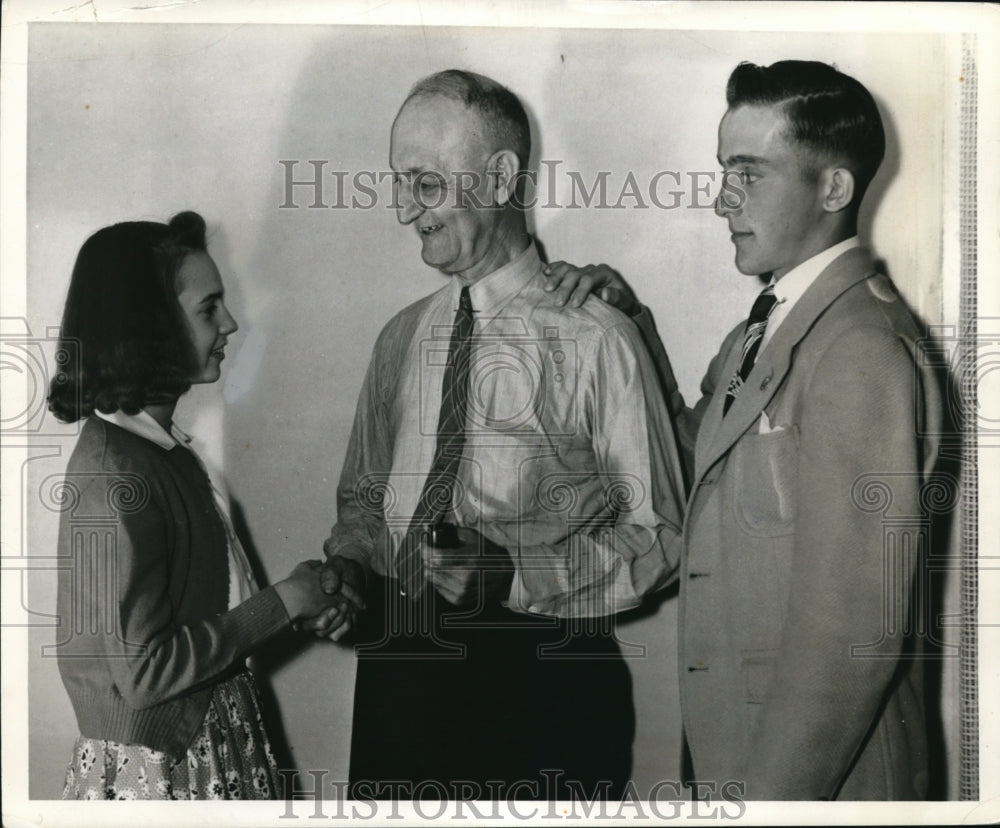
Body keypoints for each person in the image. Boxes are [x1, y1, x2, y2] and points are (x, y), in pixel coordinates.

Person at [543, 60, 943, 800]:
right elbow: (688, 464)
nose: (722, 198)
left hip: (814, 785)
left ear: (833, 189)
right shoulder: (762, 329)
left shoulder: (858, 348)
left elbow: (850, 643)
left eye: (750, 174)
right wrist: (629, 328)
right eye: (724, 170)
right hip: (744, 763)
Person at [308, 70, 686, 800]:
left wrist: (514, 575)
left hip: (541, 686)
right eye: (398, 184)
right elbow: (362, 498)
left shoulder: (598, 338)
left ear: (500, 175)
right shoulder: (399, 339)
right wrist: (351, 570)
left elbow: (662, 536)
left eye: (423, 184)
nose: (400, 210)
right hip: (396, 683)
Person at [49, 212, 352, 799]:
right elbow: (144, 675)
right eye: (209, 308)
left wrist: (298, 600)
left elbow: (214, 612)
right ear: (148, 327)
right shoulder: (114, 479)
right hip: (166, 766)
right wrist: (283, 602)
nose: (232, 323)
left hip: (208, 739)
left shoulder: (161, 452)